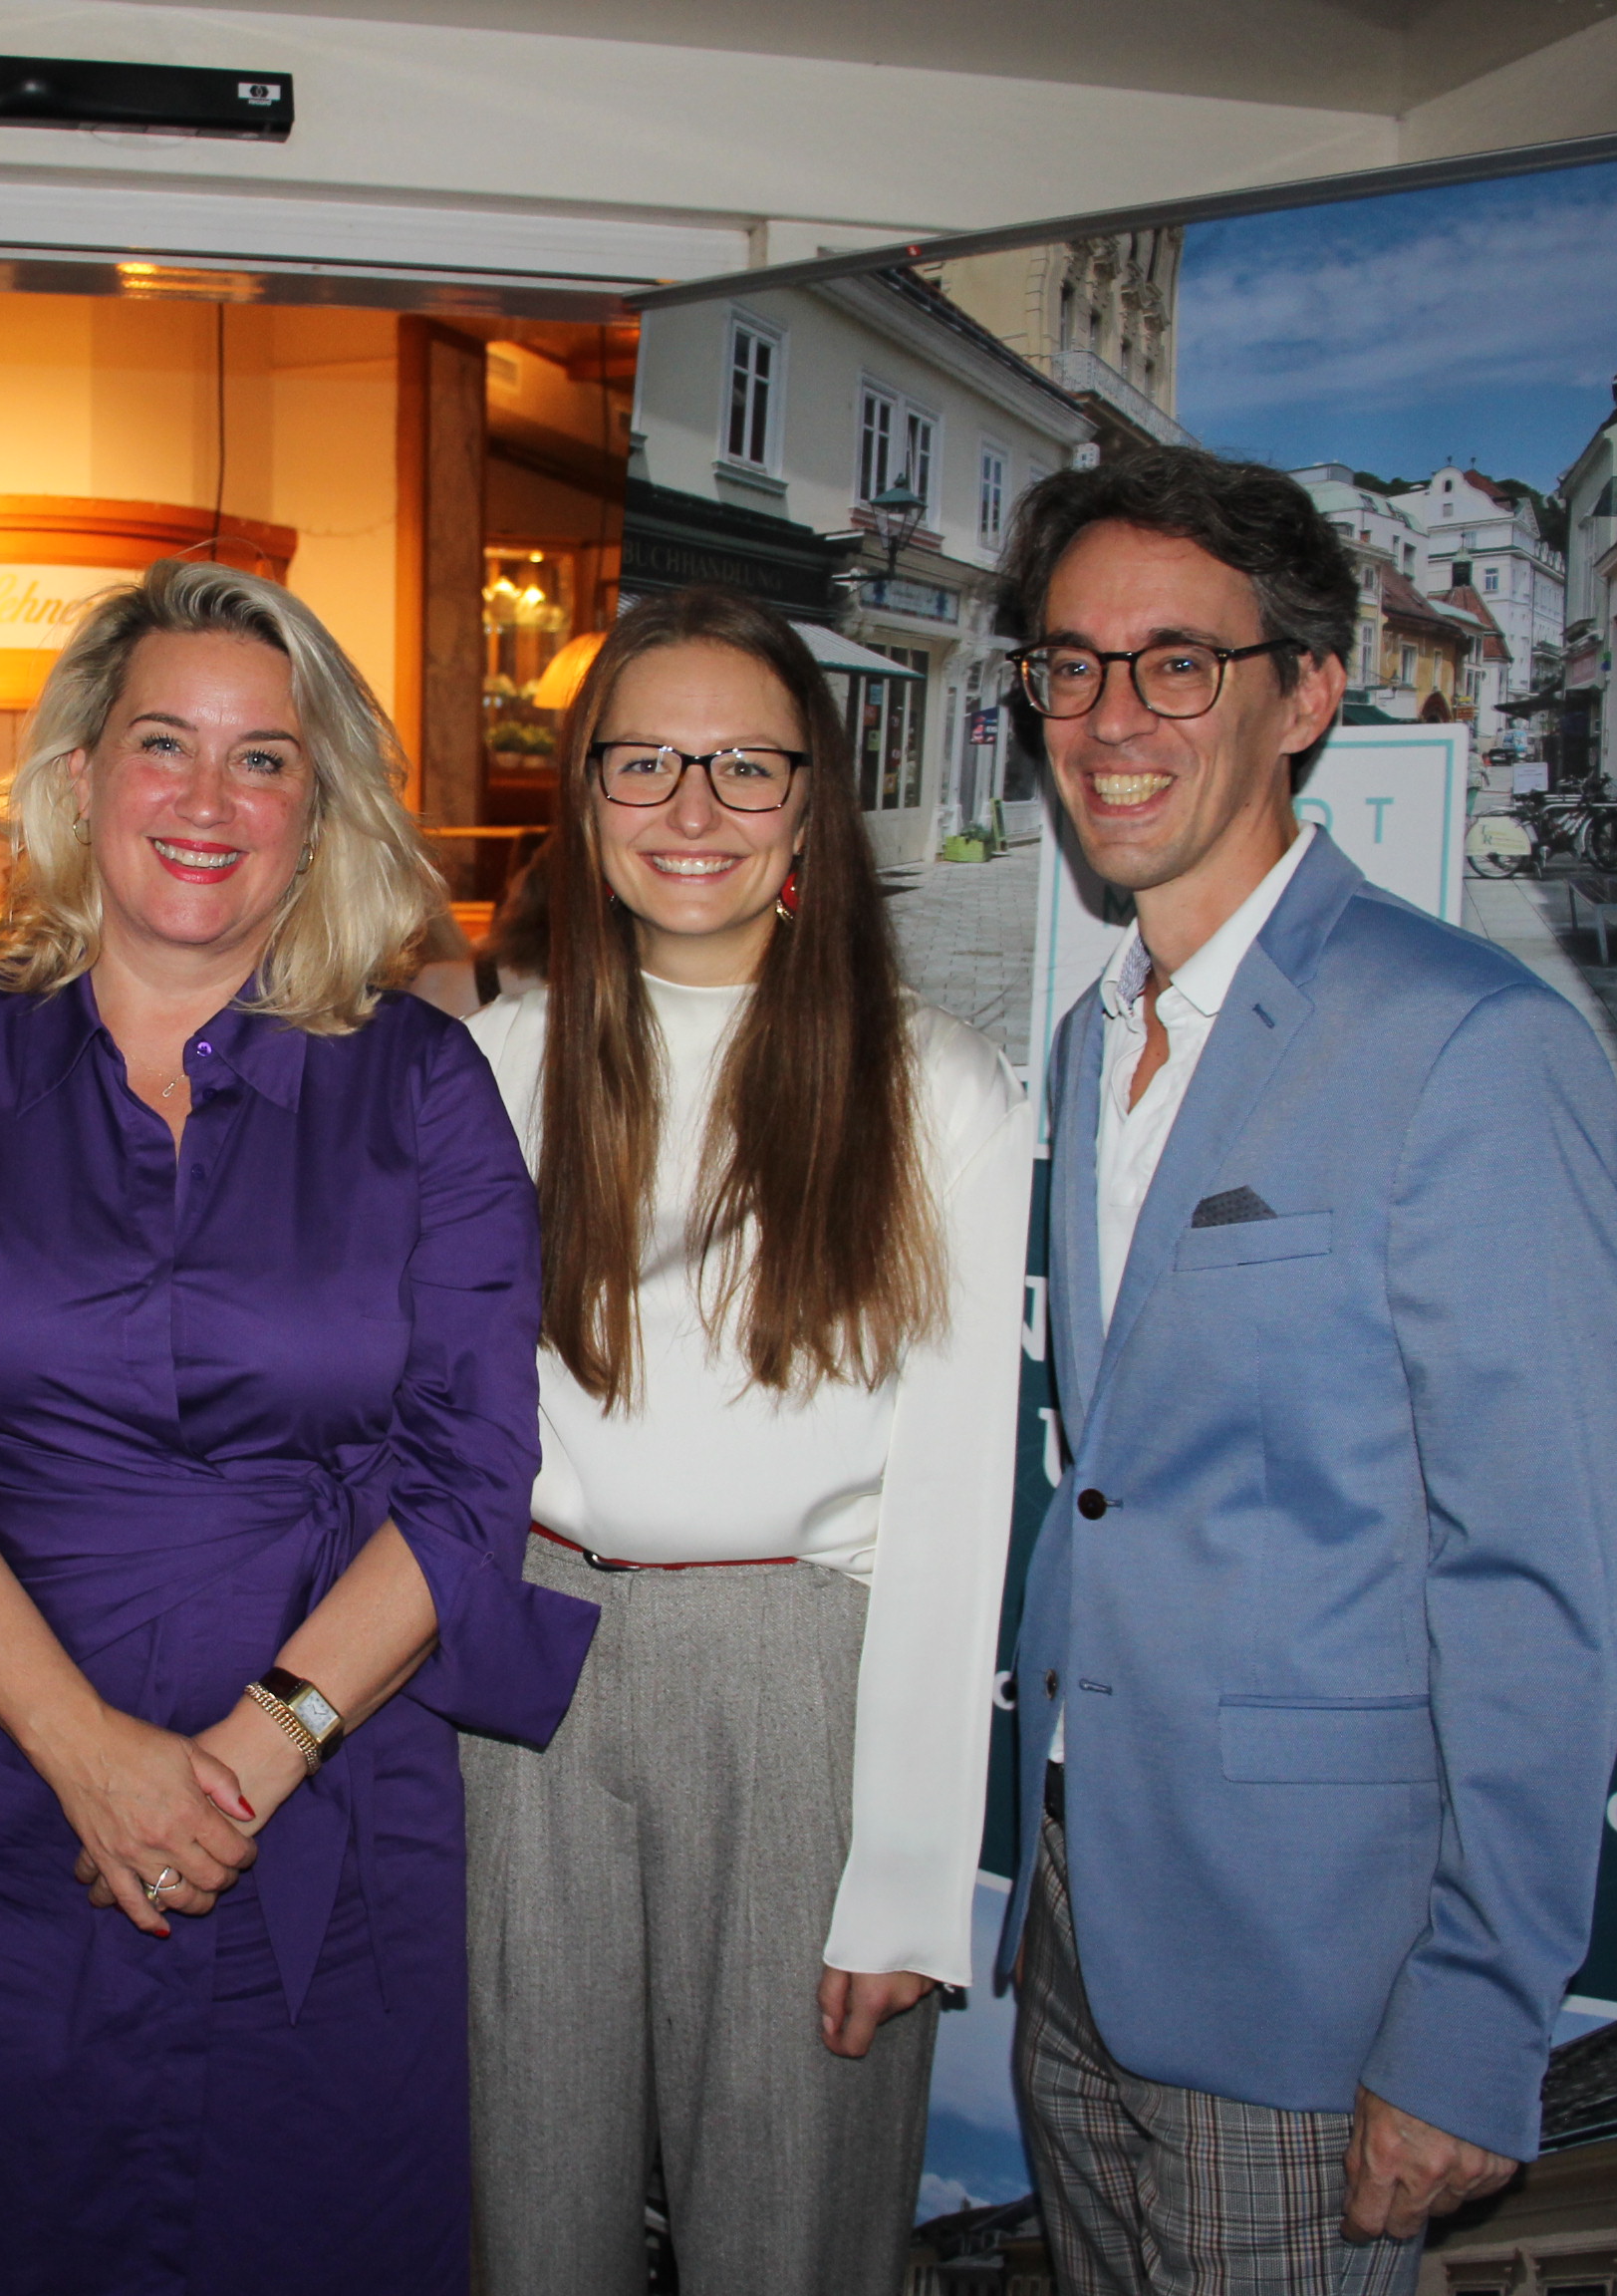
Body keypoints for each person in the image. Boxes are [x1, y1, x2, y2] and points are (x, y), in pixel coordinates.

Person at [0, 558, 599, 2295]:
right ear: (80, 780)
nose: (207, 800)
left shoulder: (422, 1083)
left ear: (319, 809)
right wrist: (89, 1750)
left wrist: (250, 1753)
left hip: (332, 1816)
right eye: (164, 742)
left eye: (263, 757)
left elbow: (470, 1469)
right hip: (9, 1810)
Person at [997, 446, 1617, 2291]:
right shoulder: (1084, 1032)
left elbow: (1545, 1571)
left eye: (1177, 661)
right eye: (1073, 662)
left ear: (1303, 694)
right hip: (1080, 1929)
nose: (1113, 719)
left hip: (1316, 1986)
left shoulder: (1468, 1043)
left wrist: (1471, 2016)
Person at [460, 587, 1028, 2296]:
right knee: (525, 2210)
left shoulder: (935, 1085)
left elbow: (958, 1498)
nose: (692, 807)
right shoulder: (492, 1063)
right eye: (644, 762)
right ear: (583, 797)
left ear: (809, 804)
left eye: (742, 763)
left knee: (790, 2229)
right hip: (533, 1670)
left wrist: (911, 1881)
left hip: (802, 1684)